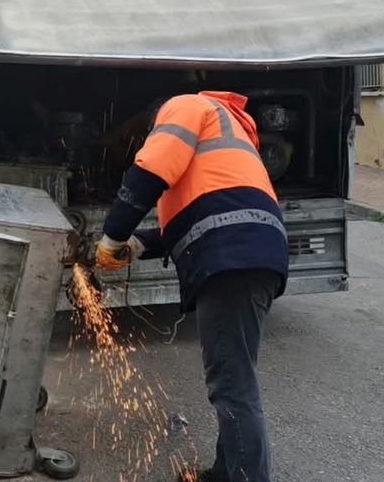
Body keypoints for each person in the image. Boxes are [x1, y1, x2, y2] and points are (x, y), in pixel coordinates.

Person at [95, 91, 289, 482]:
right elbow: (205, 212)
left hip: (230, 259)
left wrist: (113, 234)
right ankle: (225, 471)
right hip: (254, 251)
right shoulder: (227, 131)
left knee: (233, 386)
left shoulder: (184, 106)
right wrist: (139, 244)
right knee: (235, 376)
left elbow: (150, 170)